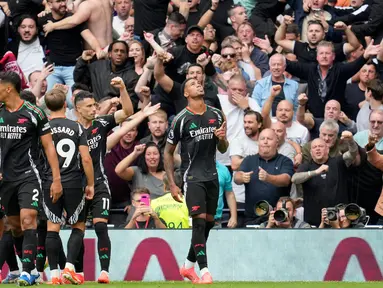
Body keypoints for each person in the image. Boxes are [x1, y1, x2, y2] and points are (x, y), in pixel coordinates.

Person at [0, 71, 62, 286]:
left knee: (29, 219)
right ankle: (29, 267)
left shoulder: (34, 113)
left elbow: (49, 147)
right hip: (5, 180)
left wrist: (56, 179)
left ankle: (27, 271)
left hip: (29, 176)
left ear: (8, 88)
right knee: (15, 226)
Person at [164, 78, 228, 284]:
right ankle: (205, 271)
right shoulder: (180, 119)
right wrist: (173, 184)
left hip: (212, 176)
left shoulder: (216, 114)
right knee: (199, 223)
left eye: (199, 82)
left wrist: (222, 139)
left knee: (208, 223)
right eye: (192, 83)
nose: (198, 84)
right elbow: (168, 152)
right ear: (186, 93)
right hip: (192, 177)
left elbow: (224, 148)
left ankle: (187, 266)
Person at [74, 76, 133, 283]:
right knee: (77, 230)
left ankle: (104, 272)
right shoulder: (70, 129)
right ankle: (78, 273)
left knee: (100, 226)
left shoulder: (100, 123)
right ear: (77, 108)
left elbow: (127, 112)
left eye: (94, 105)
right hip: (76, 186)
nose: (93, 109)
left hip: (99, 183)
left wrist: (123, 89)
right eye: (89, 106)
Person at [42, 89, 95, 284]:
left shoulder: (43, 127)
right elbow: (86, 159)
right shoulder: (77, 127)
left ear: (47, 108)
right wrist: (90, 183)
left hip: (50, 182)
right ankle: (70, 268)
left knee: (52, 228)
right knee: (78, 226)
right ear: (66, 105)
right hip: (73, 182)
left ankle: (54, 275)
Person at [42, 0, 113, 49]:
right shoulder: (108, 1)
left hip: (96, 52)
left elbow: (74, 21)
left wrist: (53, 25)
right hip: (110, 48)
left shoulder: (87, 5)